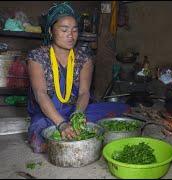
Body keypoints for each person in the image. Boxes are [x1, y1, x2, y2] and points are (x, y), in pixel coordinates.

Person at [27, 2, 130, 153]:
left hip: (73, 110)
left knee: (120, 111)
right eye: (64, 30)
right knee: (40, 131)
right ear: (50, 31)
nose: (71, 35)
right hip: (47, 112)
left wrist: (78, 115)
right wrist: (62, 124)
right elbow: (40, 94)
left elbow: (83, 92)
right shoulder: (37, 57)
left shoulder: (84, 58)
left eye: (75, 30)